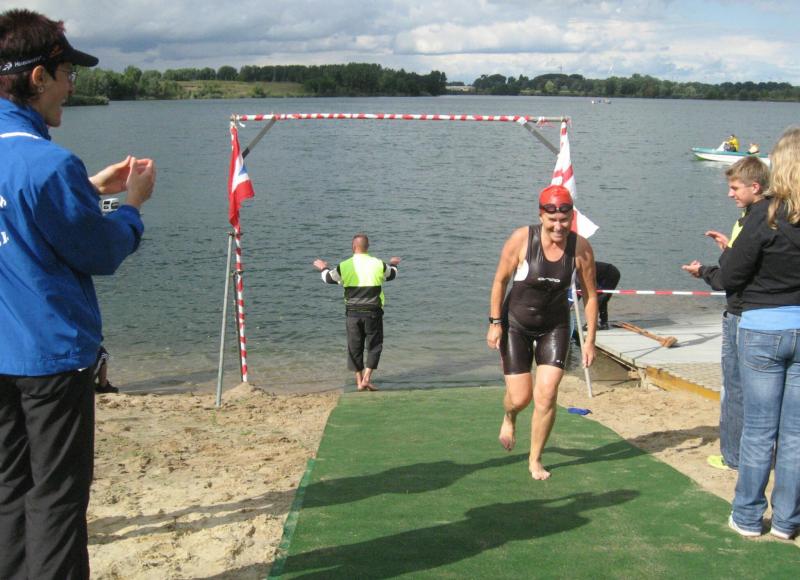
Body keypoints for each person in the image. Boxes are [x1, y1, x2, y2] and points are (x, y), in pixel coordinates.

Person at [0, 9, 156, 578]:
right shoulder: (48, 163)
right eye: (68, 74)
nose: (71, 86)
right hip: (50, 357)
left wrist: (88, 190)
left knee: (9, 488)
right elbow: (99, 250)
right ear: (37, 77)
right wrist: (132, 205)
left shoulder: (42, 167)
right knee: (57, 496)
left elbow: (22, 211)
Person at [720, 126, 800, 541]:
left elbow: (731, 276)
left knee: (758, 429)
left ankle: (748, 516)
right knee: (795, 434)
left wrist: (725, 261)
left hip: (763, 329)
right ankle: (787, 520)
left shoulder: (764, 214)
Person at [487, 184, 598, 480]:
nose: (559, 226)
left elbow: (591, 296)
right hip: (516, 325)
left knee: (547, 395)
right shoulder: (522, 240)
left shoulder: (581, 248)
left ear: (572, 217)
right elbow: (499, 281)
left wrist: (589, 340)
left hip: (555, 326)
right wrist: (495, 323)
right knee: (520, 398)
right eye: (552, 220)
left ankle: (535, 459)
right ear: (541, 216)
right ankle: (510, 416)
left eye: (565, 220)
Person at [681, 156, 769, 472]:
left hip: (742, 314)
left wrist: (704, 271)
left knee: (734, 387)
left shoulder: (753, 221)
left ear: (754, 187)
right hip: (767, 313)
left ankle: (733, 455)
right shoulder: (773, 217)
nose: (730, 194)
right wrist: (729, 250)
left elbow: (728, 279)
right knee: (765, 391)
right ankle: (762, 453)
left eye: (735, 188)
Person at [313, 234, 401, 391]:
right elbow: (392, 274)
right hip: (373, 312)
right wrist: (393, 263)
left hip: (352, 314)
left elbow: (328, 279)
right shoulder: (378, 264)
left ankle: (359, 381)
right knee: (374, 345)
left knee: (354, 346)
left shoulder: (345, 265)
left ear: (353, 247)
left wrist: (323, 267)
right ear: (368, 247)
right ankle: (367, 378)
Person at [576, 261, 620, 331]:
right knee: (600, 299)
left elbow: (577, 294)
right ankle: (603, 323)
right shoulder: (574, 274)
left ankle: (593, 324)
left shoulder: (579, 274)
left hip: (611, 274)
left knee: (599, 299)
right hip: (600, 276)